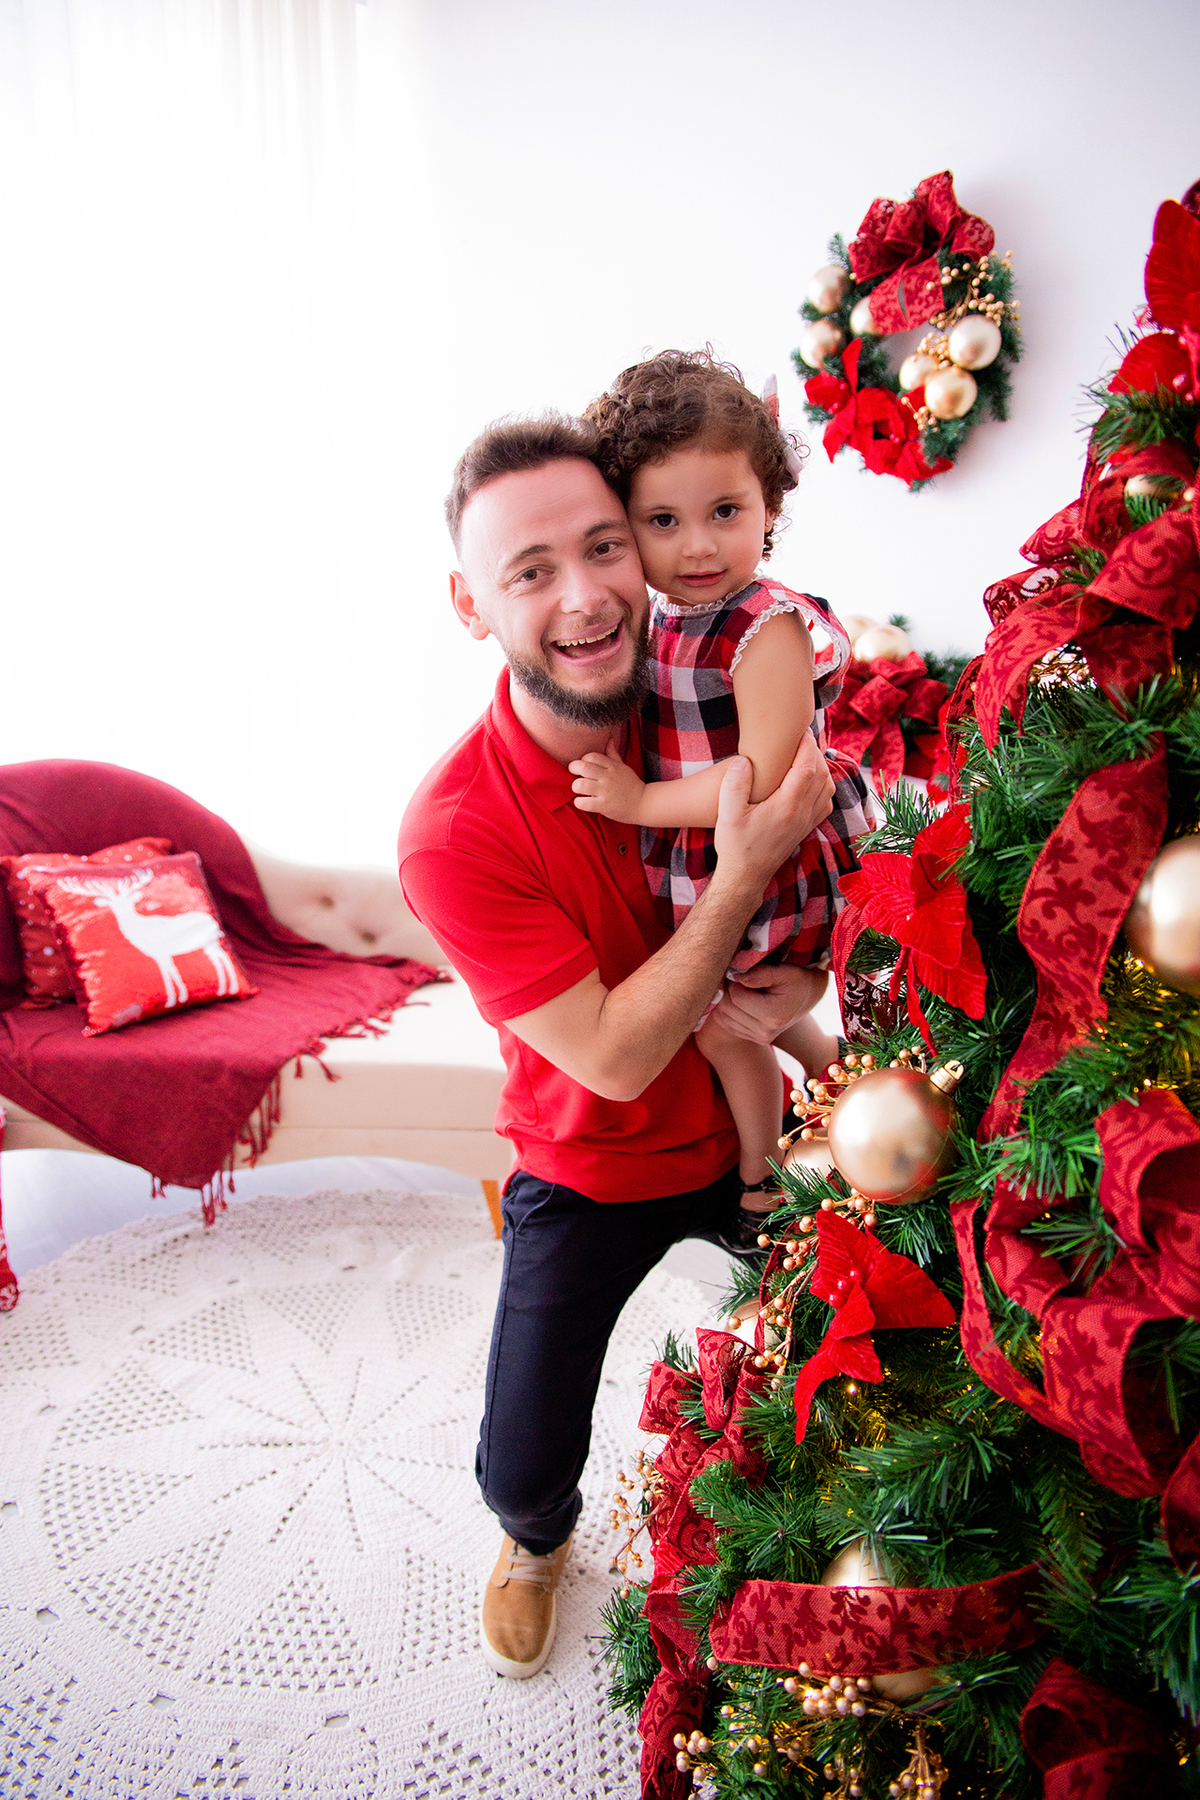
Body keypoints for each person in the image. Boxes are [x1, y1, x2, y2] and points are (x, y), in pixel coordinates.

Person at [397, 415, 835, 1681]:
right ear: (472, 605)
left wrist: (805, 960)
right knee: (520, 1453)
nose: (586, 597)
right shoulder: (452, 827)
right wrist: (740, 874)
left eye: (605, 546)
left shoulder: (705, 690)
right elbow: (613, 1059)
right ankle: (534, 1542)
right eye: (531, 570)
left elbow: (828, 840)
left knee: (848, 1359)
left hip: (759, 1133)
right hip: (591, 1162)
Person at [572, 352, 870, 1238]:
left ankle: (763, 1176)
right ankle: (838, 1087)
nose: (698, 545)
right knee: (744, 1014)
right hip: (704, 858)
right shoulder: (662, 614)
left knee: (724, 1030)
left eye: (726, 512)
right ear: (626, 524)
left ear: (768, 509)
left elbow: (764, 779)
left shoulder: (764, 626)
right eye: (663, 520)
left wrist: (637, 805)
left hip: (764, 855)